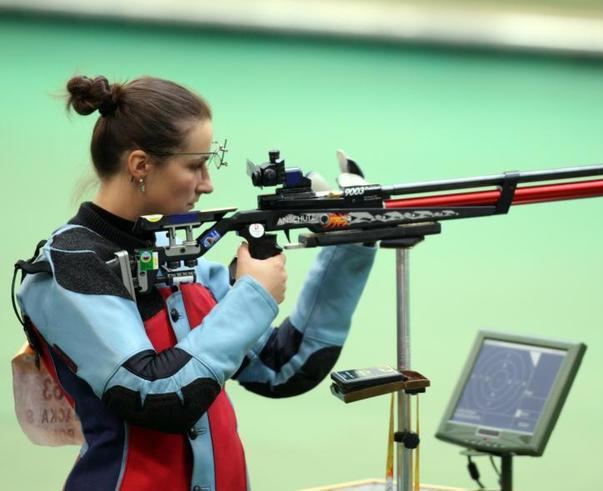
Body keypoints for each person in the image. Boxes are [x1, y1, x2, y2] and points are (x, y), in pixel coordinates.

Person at [15, 75, 376, 491]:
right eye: (195, 165)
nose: (208, 183)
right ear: (140, 165)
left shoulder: (175, 253)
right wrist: (253, 296)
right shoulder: (70, 267)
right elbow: (155, 395)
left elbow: (282, 367)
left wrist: (349, 244)